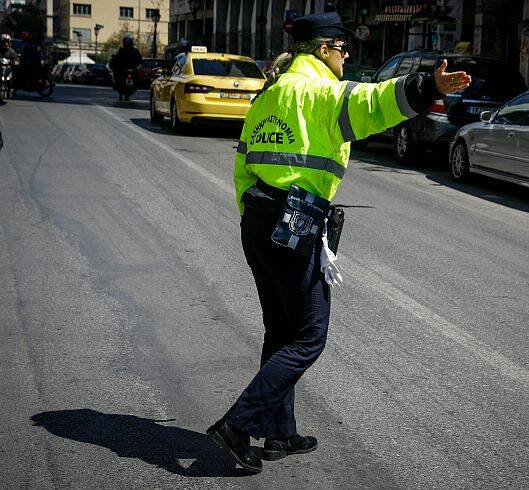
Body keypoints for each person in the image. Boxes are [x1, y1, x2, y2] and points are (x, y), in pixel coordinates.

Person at [206, 13, 471, 473]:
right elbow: (376, 103)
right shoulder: (321, 92)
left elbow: (244, 161)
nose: (347, 57)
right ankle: (237, 424)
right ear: (323, 49)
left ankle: (279, 434)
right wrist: (430, 86)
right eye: (343, 49)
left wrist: (251, 215)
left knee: (280, 331)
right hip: (293, 222)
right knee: (309, 336)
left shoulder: (269, 94)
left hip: (258, 219)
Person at [111, 35, 142, 99]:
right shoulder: (122, 51)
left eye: (128, 42)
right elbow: (116, 60)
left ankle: (133, 87)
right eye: (126, 42)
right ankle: (120, 87)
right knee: (116, 73)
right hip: (124, 69)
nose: (127, 44)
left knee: (136, 75)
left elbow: (140, 60)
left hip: (130, 69)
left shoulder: (133, 51)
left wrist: (138, 66)